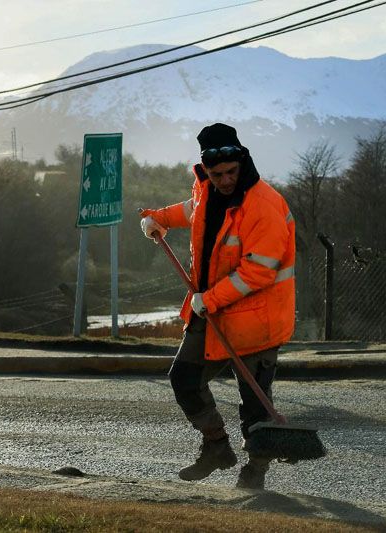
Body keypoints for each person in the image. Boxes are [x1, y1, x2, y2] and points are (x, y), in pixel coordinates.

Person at [139, 123, 295, 490]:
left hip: (257, 320)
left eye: (231, 173)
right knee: (184, 380)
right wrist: (158, 218)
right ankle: (217, 447)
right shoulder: (208, 191)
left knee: (255, 405)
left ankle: (254, 472)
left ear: (242, 161)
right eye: (216, 174)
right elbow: (191, 211)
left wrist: (207, 300)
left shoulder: (264, 205)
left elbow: (257, 273)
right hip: (212, 314)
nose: (225, 180)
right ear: (205, 169)